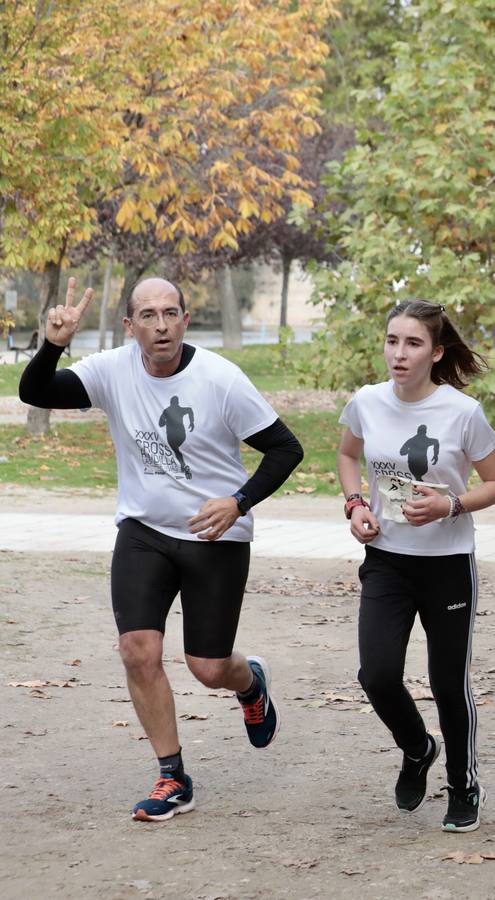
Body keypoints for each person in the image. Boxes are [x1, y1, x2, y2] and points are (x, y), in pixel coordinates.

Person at [18, 277, 303, 822]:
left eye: (170, 312)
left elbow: (286, 448)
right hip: (144, 531)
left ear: (185, 319)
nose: (161, 324)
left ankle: (250, 682)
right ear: (130, 326)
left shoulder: (221, 379)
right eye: (147, 315)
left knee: (208, 667)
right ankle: (172, 776)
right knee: (137, 651)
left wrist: (238, 502)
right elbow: (37, 392)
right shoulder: (112, 369)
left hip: (212, 536)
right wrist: (53, 342)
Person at [336, 300, 495, 832]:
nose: (398, 353)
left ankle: (464, 784)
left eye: (412, 344)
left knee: (446, 681)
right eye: (392, 341)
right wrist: (355, 504)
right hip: (386, 561)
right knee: (378, 674)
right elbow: (347, 457)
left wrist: (450, 505)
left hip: (447, 565)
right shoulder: (366, 402)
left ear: (435, 353)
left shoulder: (462, 412)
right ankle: (417, 748)